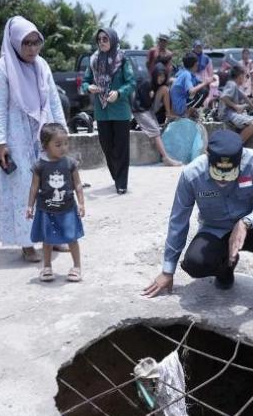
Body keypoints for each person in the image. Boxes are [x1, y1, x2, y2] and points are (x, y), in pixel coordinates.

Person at [143, 130, 253, 317]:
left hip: (251, 229)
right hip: (216, 230)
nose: (222, 179)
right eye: (218, 173)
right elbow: (178, 220)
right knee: (194, 263)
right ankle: (225, 269)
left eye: (229, 173)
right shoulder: (191, 175)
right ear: (207, 157)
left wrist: (245, 222)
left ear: (240, 159)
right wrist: (168, 270)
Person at [0, 16, 66, 262]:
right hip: (17, 136)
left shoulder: (41, 64)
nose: (32, 49)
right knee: (25, 189)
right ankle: (27, 243)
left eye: (36, 42)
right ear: (14, 43)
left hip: (43, 133)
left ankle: (53, 238)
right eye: (27, 43)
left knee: (51, 184)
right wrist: (0, 142)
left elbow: (53, 99)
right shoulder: (1, 69)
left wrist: (62, 131)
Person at [27, 124, 84, 283]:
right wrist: (30, 206)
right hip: (46, 209)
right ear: (45, 146)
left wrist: (81, 203)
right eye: (58, 145)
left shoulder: (70, 164)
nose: (63, 148)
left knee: (72, 238)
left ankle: (77, 266)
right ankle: (47, 266)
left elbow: (78, 185)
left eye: (66, 143)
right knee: (47, 239)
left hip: (68, 209)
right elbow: (34, 187)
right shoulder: (39, 166)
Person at [83, 28, 136, 195]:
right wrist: (88, 87)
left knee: (121, 148)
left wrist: (119, 93)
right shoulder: (93, 60)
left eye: (105, 39)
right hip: (101, 110)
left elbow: (132, 82)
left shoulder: (123, 59)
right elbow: (85, 81)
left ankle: (122, 182)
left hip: (120, 110)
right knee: (106, 146)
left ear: (112, 39)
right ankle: (116, 176)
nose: (102, 42)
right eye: (99, 39)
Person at [132, 63, 181, 166]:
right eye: (159, 76)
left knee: (165, 89)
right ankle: (166, 158)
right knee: (155, 130)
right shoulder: (147, 83)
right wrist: (150, 97)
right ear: (155, 75)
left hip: (148, 108)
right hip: (140, 110)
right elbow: (143, 103)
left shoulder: (156, 85)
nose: (161, 78)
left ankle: (169, 113)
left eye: (163, 76)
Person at [219, 65, 253, 143]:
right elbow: (223, 97)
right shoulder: (232, 84)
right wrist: (236, 106)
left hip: (231, 113)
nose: (245, 79)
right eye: (244, 76)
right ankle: (236, 145)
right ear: (240, 76)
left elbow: (245, 97)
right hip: (227, 114)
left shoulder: (235, 85)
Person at [170, 52, 211, 118]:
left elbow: (199, 82)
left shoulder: (187, 73)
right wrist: (205, 83)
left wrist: (207, 81)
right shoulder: (186, 74)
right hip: (179, 106)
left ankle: (192, 111)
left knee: (203, 87)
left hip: (180, 103)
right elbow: (191, 91)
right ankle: (188, 112)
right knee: (204, 91)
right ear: (195, 64)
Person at [193, 40, 219, 109]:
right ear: (194, 48)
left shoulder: (206, 58)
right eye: (197, 47)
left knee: (206, 96)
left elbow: (210, 72)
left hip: (205, 82)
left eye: (200, 47)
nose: (198, 49)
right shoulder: (191, 57)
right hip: (193, 82)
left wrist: (210, 80)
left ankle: (204, 111)